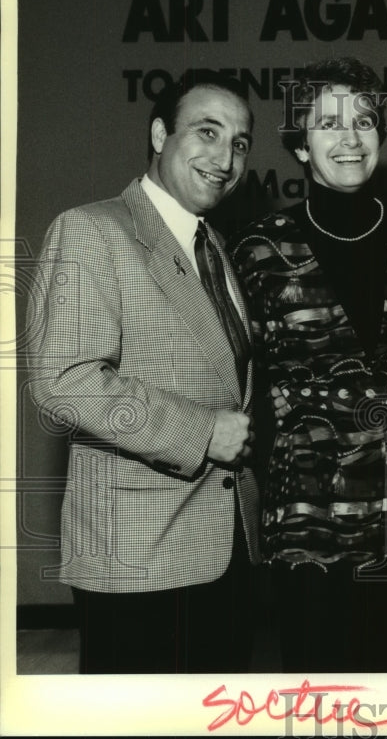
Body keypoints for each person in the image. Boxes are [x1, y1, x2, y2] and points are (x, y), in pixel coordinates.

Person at [229, 57, 387, 673]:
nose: (349, 138)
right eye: (328, 124)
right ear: (300, 145)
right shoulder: (260, 251)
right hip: (311, 522)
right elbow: (241, 387)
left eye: (362, 121)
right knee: (322, 701)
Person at [27, 69, 260, 673]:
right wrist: (204, 431)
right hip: (135, 561)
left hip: (224, 552)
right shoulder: (92, 230)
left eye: (238, 142)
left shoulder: (215, 249)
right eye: (206, 132)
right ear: (159, 134)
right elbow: (65, 383)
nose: (225, 156)